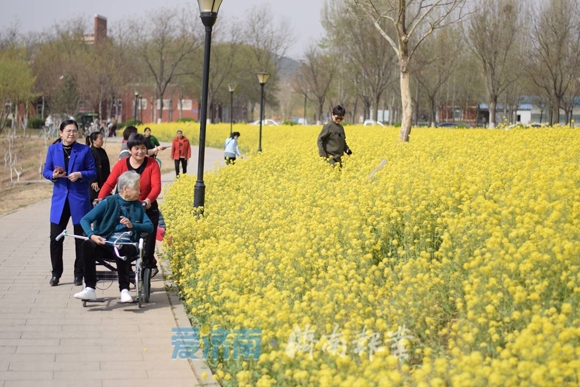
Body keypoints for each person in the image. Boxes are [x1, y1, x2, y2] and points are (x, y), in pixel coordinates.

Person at [74, 171, 153, 302]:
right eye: (137, 189)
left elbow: (149, 226)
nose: (140, 192)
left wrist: (132, 225)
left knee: (120, 247)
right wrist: (92, 235)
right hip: (106, 244)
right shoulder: (108, 202)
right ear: (125, 189)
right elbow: (85, 220)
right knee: (87, 244)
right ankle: (90, 289)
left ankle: (124, 290)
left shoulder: (138, 205)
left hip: (127, 245)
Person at [42, 119, 97, 286]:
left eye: (74, 131)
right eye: (68, 131)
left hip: (79, 199)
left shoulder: (84, 150)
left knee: (81, 238)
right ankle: (56, 273)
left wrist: (80, 174)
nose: (71, 133)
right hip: (60, 200)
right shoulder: (53, 149)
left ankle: (79, 274)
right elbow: (46, 170)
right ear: (61, 133)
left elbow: (93, 172)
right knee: (55, 238)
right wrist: (53, 175)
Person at [99, 133, 162, 276]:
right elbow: (109, 183)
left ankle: (147, 264)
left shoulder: (152, 164)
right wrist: (99, 200)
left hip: (146, 208)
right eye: (136, 148)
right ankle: (125, 265)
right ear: (130, 150)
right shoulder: (122, 164)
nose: (140, 152)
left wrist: (147, 201)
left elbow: (156, 187)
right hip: (124, 209)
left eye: (143, 148)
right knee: (124, 236)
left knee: (148, 240)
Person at [86, 132, 111, 203]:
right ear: (94, 140)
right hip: (95, 183)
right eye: (100, 139)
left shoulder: (102, 151)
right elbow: (90, 167)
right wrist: (93, 180)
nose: (102, 140)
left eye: (102, 138)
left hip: (104, 180)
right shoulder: (90, 151)